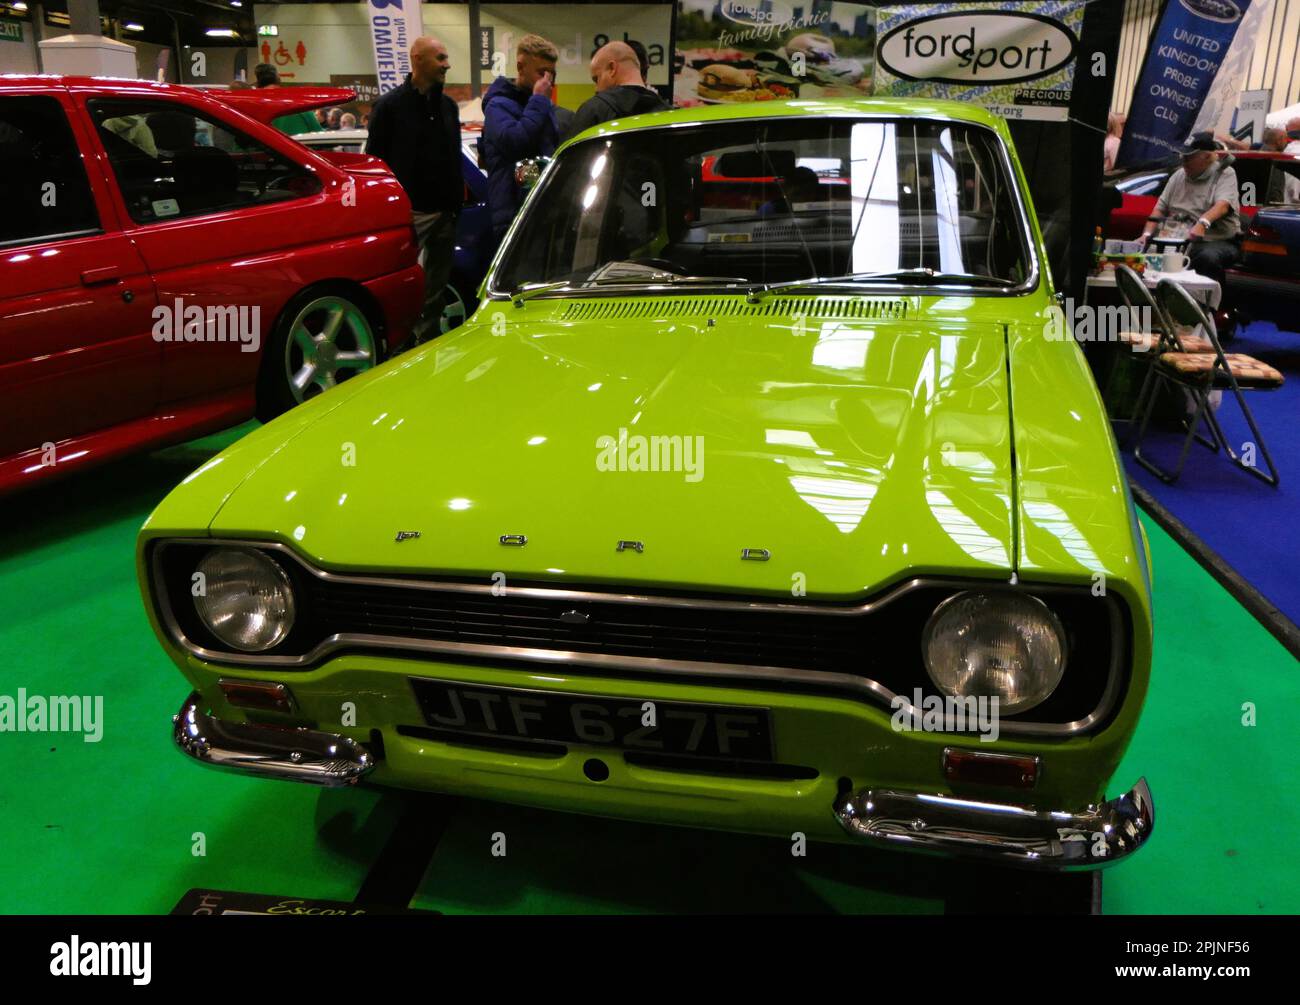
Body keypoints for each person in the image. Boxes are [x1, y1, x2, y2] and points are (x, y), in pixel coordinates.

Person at [365, 36, 463, 341]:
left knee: (435, 288)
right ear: (417, 59)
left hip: (445, 212)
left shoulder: (448, 106)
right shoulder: (390, 107)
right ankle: (395, 345)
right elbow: (375, 161)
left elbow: (453, 154)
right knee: (397, 284)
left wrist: (455, 204)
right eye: (441, 58)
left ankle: (428, 342)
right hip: (409, 215)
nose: (447, 64)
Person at [481, 34, 560, 241]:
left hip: (540, 209)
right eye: (541, 72)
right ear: (520, 66)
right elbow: (516, 143)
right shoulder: (497, 106)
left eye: (551, 74)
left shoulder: (540, 105)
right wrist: (539, 101)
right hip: (513, 214)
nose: (547, 80)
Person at [1138, 132, 1240, 285]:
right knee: (1145, 256)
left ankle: (1202, 304)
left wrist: (1202, 223)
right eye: (1182, 156)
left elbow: (1223, 205)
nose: (1183, 161)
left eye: (1189, 157)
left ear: (1207, 157)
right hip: (1178, 237)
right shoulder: (1178, 175)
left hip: (1214, 239)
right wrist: (1146, 235)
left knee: (1206, 257)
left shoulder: (1225, 174)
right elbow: (1160, 208)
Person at [562, 41, 668, 143]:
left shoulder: (594, 110)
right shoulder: (668, 113)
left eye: (596, 79)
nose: (596, 88)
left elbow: (570, 158)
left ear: (612, 68)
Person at [254, 62, 320, 135]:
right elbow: (319, 134)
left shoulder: (254, 108)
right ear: (278, 78)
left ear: (257, 83)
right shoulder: (297, 103)